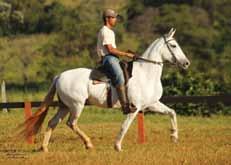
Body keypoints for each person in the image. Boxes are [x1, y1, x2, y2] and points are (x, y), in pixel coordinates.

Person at [97, 9, 137, 114]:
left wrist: (124, 53)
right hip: (108, 58)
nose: (115, 20)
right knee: (120, 76)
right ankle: (124, 106)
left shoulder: (110, 32)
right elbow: (110, 50)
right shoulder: (105, 31)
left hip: (113, 57)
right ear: (107, 19)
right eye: (114, 18)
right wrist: (126, 54)